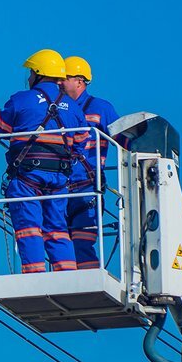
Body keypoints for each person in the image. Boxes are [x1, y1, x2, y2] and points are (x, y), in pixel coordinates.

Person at [0, 49, 86, 273]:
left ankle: (35, 274)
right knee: (58, 228)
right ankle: (67, 275)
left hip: (27, 177)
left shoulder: (22, 100)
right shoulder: (73, 107)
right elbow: (81, 143)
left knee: (29, 228)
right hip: (59, 179)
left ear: (38, 73)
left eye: (31, 73)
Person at [61, 55, 120, 270]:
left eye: (65, 77)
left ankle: (88, 279)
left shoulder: (100, 108)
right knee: (59, 244)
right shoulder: (57, 109)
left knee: (82, 242)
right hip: (58, 188)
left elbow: (124, 140)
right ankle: (66, 284)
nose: (60, 82)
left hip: (86, 189)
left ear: (80, 80)